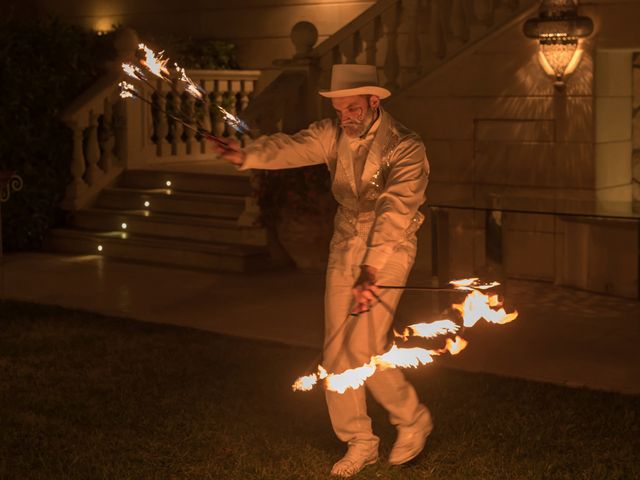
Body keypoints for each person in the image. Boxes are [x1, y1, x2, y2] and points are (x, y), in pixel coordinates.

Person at [213, 64, 432, 478]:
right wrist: (245, 155)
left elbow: (395, 211)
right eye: (339, 111)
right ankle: (360, 441)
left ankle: (412, 419)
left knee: (362, 348)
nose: (345, 117)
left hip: (391, 249)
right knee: (336, 350)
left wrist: (372, 269)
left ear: (374, 101)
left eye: (353, 108)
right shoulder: (332, 135)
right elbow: (290, 147)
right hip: (344, 243)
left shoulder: (406, 146)